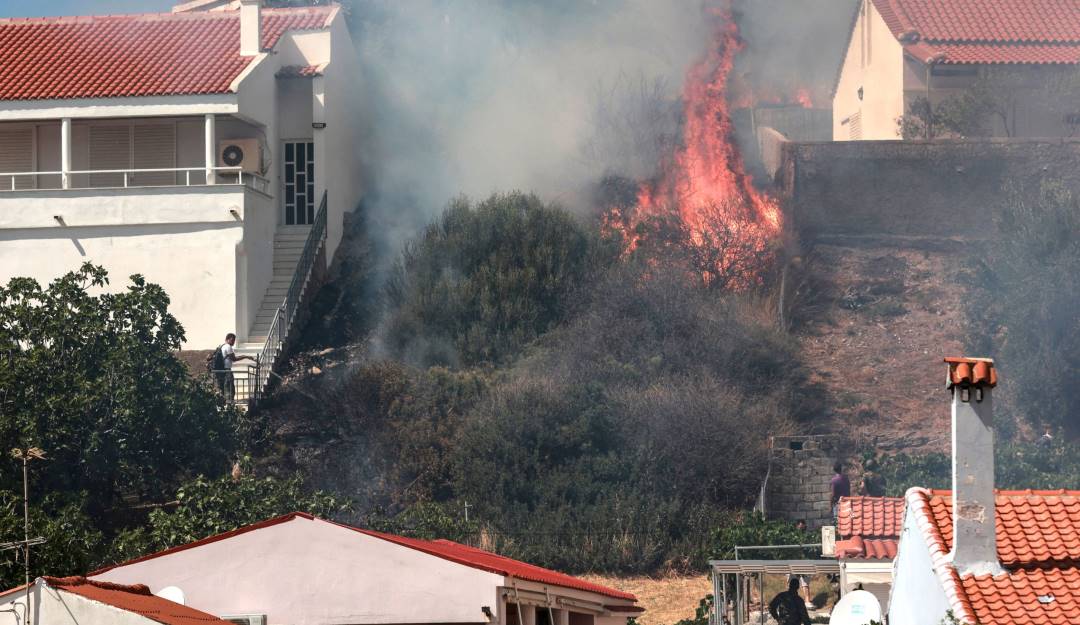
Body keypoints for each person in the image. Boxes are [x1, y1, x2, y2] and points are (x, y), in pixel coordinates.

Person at [217, 333, 254, 402]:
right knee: (230, 387)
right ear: (227, 340)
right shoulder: (228, 347)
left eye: (234, 340)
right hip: (227, 370)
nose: (233, 342)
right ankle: (230, 402)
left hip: (222, 370)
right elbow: (234, 359)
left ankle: (225, 401)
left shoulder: (222, 346)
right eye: (232, 340)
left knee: (225, 387)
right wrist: (246, 356)